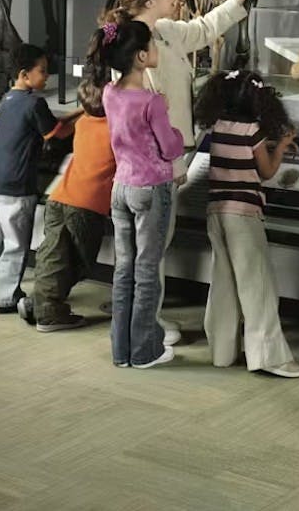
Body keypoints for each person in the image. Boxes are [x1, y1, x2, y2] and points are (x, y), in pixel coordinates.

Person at [105, 0, 266, 344]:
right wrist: (175, 164)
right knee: (151, 250)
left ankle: (137, 328)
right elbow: (144, 123)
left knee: (145, 251)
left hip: (157, 165)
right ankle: (148, 330)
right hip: (158, 168)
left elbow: (203, 29)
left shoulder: (161, 32)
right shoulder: (136, 50)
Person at [192, 69, 299, 378]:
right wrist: (281, 145)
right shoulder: (253, 130)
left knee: (224, 282)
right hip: (243, 214)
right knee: (258, 285)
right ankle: (269, 357)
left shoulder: (217, 126)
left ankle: (222, 351)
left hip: (216, 211)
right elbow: (266, 171)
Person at [92, 19, 185, 368]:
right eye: (153, 46)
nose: (157, 51)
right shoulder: (152, 102)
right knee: (147, 270)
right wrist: (174, 128)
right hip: (151, 190)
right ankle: (145, 350)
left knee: (124, 269)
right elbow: (171, 149)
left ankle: (122, 350)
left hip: (122, 187)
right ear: (142, 56)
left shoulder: (109, 93)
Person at [0, 44, 73, 314]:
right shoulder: (35, 102)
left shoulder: (9, 99)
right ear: (24, 74)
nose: (46, 77)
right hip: (15, 185)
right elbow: (55, 134)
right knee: (15, 243)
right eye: (42, 72)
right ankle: (6, 297)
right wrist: (85, 116)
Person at [17, 75, 114, 332]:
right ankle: (48, 310)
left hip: (60, 197)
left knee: (52, 253)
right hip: (88, 203)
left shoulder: (83, 122)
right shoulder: (116, 128)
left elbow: (68, 123)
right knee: (77, 260)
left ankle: (40, 302)